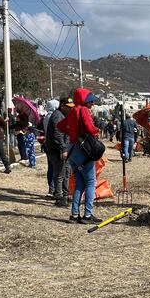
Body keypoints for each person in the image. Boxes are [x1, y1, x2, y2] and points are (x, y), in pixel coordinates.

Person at [57, 88, 102, 223]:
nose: (92, 103)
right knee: (90, 182)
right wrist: (96, 131)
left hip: (72, 150)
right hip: (83, 150)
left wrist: (72, 133)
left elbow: (60, 126)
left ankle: (74, 215)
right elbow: (90, 128)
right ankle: (87, 215)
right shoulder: (84, 110)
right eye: (90, 100)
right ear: (85, 100)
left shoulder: (71, 112)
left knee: (79, 184)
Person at [42, 98, 72, 205]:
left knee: (67, 173)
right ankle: (59, 197)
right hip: (57, 150)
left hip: (64, 149)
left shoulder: (64, 115)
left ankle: (65, 194)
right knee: (59, 174)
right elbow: (58, 134)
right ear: (62, 105)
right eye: (68, 107)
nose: (70, 109)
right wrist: (63, 149)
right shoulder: (57, 116)